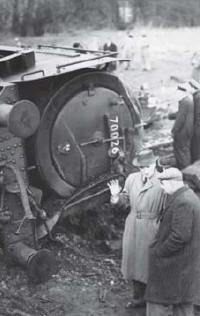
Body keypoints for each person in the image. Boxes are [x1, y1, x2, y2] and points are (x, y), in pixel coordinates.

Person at [108, 149, 165, 309]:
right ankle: (138, 297)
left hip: (152, 225)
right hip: (133, 225)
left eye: (148, 166)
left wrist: (163, 229)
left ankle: (155, 299)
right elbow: (125, 201)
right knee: (135, 262)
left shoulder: (162, 181)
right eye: (141, 167)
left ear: (154, 164)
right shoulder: (132, 179)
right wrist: (115, 197)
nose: (145, 170)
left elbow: (169, 208)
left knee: (151, 263)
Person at [145, 168, 200, 316]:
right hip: (186, 265)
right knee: (183, 304)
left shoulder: (183, 202)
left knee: (155, 299)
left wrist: (159, 251)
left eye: (162, 184)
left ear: (171, 183)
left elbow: (180, 236)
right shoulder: (187, 196)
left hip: (176, 264)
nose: (161, 188)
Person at [172, 95, 194, 169]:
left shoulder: (184, 102)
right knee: (185, 149)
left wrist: (173, 131)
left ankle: (184, 169)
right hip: (189, 129)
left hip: (183, 131)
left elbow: (180, 119)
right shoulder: (190, 100)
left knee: (181, 150)